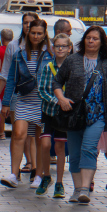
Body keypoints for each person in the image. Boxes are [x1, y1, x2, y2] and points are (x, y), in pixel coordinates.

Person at [54, 26, 107, 205]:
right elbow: (57, 81)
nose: (91, 41)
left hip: (98, 114)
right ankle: (77, 189)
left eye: (95, 38)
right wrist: (61, 98)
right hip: (73, 113)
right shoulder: (72, 60)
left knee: (88, 148)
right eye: (88, 38)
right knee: (74, 153)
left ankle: (85, 189)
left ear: (102, 42)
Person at [0, 18, 52, 190]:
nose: (36, 36)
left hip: (42, 101)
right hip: (23, 99)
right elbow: (12, 80)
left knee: (38, 138)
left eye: (39, 33)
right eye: (33, 33)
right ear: (28, 33)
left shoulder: (50, 55)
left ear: (45, 35)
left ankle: (38, 175)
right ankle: (14, 174)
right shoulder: (19, 54)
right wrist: (6, 103)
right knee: (19, 133)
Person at [37, 34, 73, 199]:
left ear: (69, 48)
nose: (60, 49)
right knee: (45, 144)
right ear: (52, 48)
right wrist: (57, 100)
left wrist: (68, 102)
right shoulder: (47, 67)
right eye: (57, 46)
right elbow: (42, 90)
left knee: (60, 148)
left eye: (63, 46)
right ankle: (46, 176)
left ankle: (59, 182)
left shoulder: (72, 67)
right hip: (48, 112)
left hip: (64, 115)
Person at [0, 29, 14, 139]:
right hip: (14, 80)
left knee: (1, 106)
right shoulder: (15, 49)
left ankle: (1, 132)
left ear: (1, 38)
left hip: (3, 81)